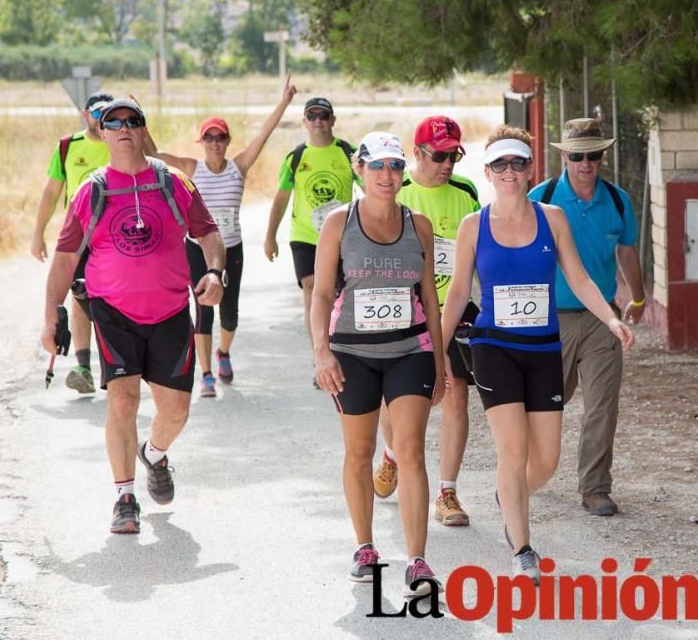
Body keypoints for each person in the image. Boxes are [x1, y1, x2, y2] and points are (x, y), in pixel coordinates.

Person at [441, 125, 633, 583]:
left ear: (531, 170)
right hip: (494, 348)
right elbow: (456, 294)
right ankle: (522, 548)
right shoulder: (474, 225)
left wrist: (610, 318)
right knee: (513, 449)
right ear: (487, 172)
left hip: (544, 348)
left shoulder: (552, 218)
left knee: (545, 460)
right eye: (501, 164)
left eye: (519, 163)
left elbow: (581, 278)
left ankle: (509, 497)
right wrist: (435, 353)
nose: (510, 171)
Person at [41, 100, 225, 534]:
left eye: (133, 121)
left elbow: (209, 233)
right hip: (113, 312)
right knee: (122, 399)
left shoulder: (173, 183)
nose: (124, 128)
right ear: (101, 133)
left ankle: (155, 454)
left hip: (170, 312)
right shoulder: (91, 190)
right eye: (113, 122)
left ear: (144, 131)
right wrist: (50, 316)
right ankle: (125, 497)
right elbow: (66, 257)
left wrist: (215, 271)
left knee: (176, 410)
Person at [311, 132, 446, 596]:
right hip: (352, 355)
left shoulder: (419, 224)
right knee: (359, 452)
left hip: (411, 351)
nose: (387, 176)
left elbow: (428, 296)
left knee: (409, 451)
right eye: (377, 167)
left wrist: (442, 362)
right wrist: (322, 353)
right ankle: (365, 546)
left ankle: (418, 560)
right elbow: (322, 295)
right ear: (358, 169)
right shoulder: (338, 223)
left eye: (394, 166)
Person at [145, 76, 297, 396]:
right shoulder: (191, 167)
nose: (215, 142)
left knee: (229, 314)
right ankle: (206, 375)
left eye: (220, 137)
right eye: (209, 137)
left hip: (231, 249)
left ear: (227, 141)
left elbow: (263, 136)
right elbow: (155, 155)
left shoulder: (238, 167)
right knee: (203, 311)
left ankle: (224, 352)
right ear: (201, 141)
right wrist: (139, 123)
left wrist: (284, 101)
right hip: (196, 250)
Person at [528, 117, 647, 517]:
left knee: (602, 404)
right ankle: (527, 471)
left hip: (601, 318)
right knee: (545, 403)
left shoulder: (617, 201)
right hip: (549, 319)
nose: (585, 163)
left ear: (602, 156)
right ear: (564, 156)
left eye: (593, 154)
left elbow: (627, 251)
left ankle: (595, 487)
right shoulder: (540, 198)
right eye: (577, 155)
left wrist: (640, 297)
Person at [372, 116, 480, 528]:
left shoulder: (467, 193)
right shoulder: (397, 190)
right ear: (416, 153)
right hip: (402, 307)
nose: (447, 164)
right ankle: (393, 455)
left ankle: (447, 491)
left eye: (454, 155)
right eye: (438, 156)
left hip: (454, 309)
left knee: (456, 394)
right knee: (395, 400)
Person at [264, 97, 355, 376]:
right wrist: (270, 235)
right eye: (312, 116)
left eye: (324, 115)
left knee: (339, 294)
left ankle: (340, 350)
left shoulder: (348, 153)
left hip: (341, 235)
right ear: (304, 122)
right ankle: (320, 354)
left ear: (333, 120)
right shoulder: (297, 157)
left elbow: (373, 188)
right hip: (304, 236)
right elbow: (281, 198)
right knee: (313, 290)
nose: (318, 121)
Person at [32, 92, 114, 394]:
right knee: (80, 295)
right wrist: (37, 232)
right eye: (96, 112)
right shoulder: (68, 146)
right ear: (85, 114)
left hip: (113, 235)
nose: (101, 118)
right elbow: (52, 192)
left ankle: (113, 366)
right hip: (78, 235)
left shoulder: (120, 142)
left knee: (110, 299)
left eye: (107, 113)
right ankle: (83, 366)